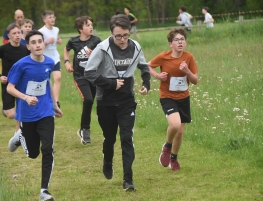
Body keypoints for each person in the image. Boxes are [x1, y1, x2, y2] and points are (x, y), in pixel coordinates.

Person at [85, 14, 150, 191]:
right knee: (110, 138)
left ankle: (128, 180)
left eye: (125, 35)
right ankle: (107, 160)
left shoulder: (135, 46)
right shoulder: (102, 48)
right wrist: (111, 83)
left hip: (126, 101)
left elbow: (144, 67)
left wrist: (146, 84)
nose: (122, 39)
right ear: (111, 33)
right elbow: (89, 73)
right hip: (105, 101)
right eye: (118, 36)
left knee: (126, 138)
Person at [6, 30, 63, 201]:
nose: (38, 45)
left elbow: (47, 82)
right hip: (27, 113)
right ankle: (20, 136)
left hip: (45, 111)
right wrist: (25, 97)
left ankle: (44, 191)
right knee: (33, 154)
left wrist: (54, 105)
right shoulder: (21, 65)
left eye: (40, 41)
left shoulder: (50, 62)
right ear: (29, 46)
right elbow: (10, 87)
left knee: (47, 149)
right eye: (34, 42)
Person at [148, 28, 198, 171]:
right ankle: (167, 147)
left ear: (186, 42)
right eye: (177, 40)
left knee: (180, 132)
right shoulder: (164, 57)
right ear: (170, 44)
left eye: (182, 39)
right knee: (175, 125)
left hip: (183, 97)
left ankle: (174, 159)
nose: (180, 42)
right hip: (167, 96)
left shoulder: (188, 57)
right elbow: (148, 66)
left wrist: (187, 71)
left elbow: (195, 81)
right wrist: (158, 76)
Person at [64, 16, 101, 145]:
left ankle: (82, 129)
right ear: (80, 29)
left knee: (92, 102)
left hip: (94, 76)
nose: (91, 27)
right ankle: (85, 129)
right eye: (87, 25)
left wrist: (95, 54)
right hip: (80, 76)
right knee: (88, 99)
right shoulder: (73, 41)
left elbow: (103, 55)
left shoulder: (96, 41)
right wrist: (67, 62)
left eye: (91, 24)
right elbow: (66, 49)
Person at [0, 24, 29, 138]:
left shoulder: (25, 49)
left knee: (21, 110)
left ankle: (18, 134)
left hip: (21, 84)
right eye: (14, 33)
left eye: (19, 33)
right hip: (8, 84)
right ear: (9, 36)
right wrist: (0, 76)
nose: (17, 35)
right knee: (11, 115)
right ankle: (6, 110)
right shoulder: (3, 49)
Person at [39, 10, 62, 108]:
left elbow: (57, 39)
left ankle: (55, 101)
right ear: (44, 20)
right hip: (45, 58)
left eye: (53, 17)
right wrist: (47, 42)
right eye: (50, 17)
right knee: (47, 80)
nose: (52, 19)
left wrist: (58, 41)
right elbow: (39, 46)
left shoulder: (56, 29)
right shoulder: (41, 31)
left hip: (55, 57)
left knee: (58, 77)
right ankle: (49, 100)